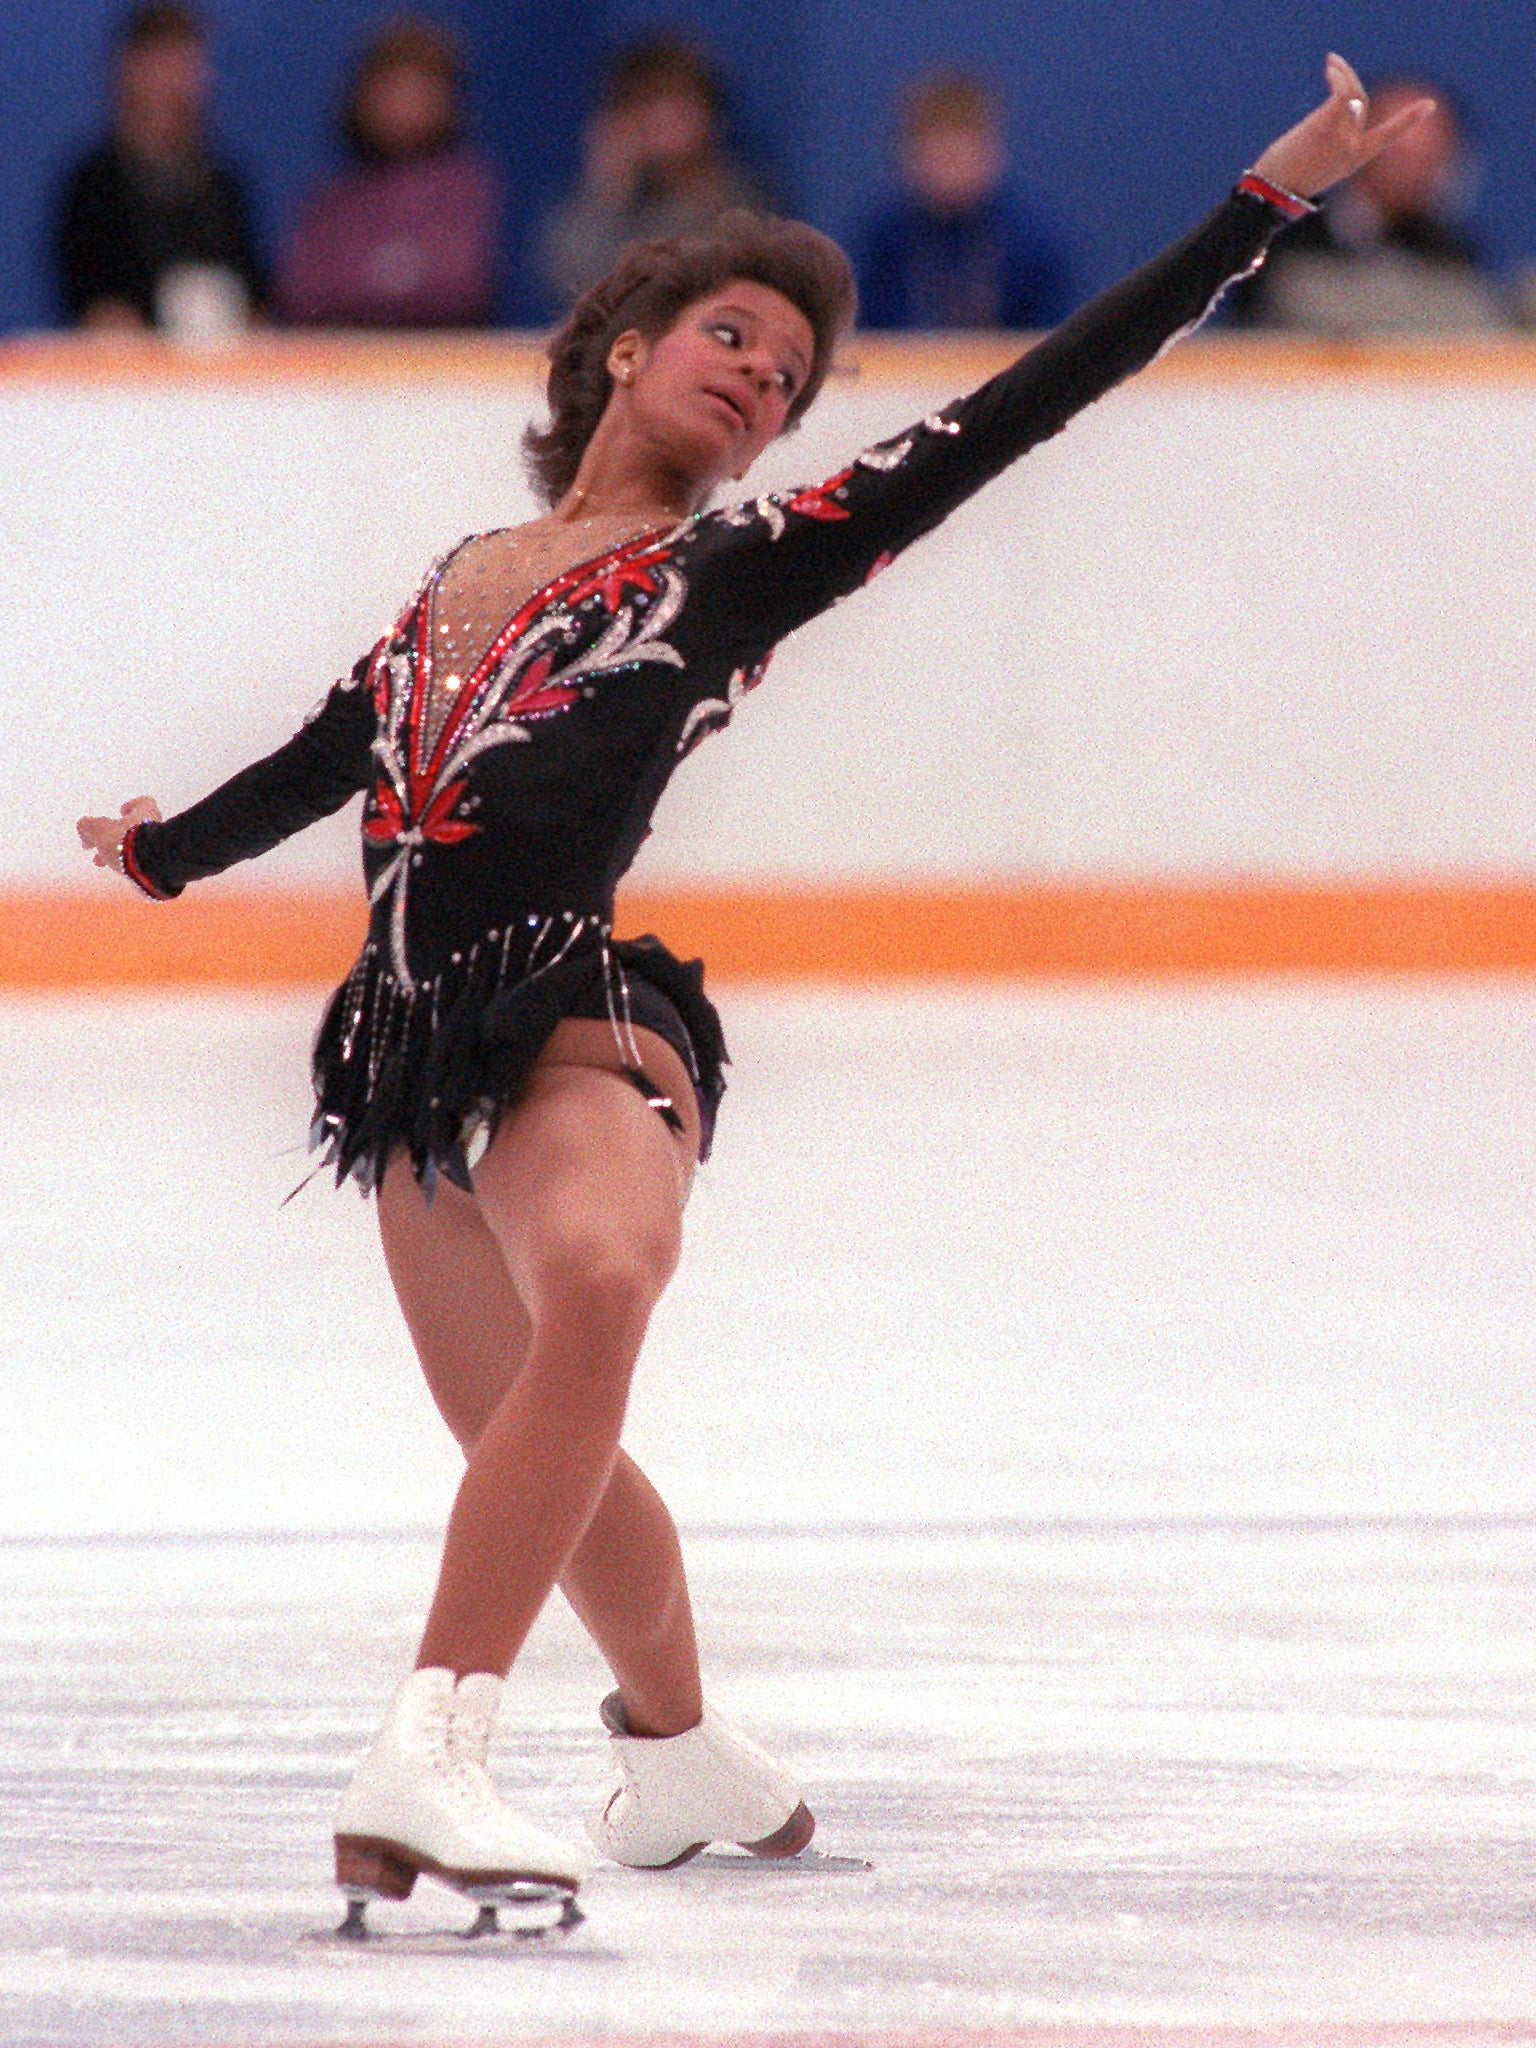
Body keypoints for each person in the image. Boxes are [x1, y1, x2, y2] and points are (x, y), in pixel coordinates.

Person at [78, 56, 1426, 1934]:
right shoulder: (458, 577)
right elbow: (330, 755)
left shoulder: (737, 569)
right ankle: (677, 1743)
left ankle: (432, 1749)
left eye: (787, 376)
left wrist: (1255, 209)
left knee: (608, 1283)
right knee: (543, 1449)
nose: (759, 379)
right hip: (402, 1069)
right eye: (729, 333)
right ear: (625, 342)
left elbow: (1023, 405)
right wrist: (163, 853)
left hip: (575, 1015)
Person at [1228, 74, 1515, 334]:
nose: (1415, 170)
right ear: (1359, 145)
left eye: (1430, 157)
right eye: (1401, 153)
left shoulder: (1451, 252)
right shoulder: (1286, 241)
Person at [275, 16, 504, 331]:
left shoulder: (466, 187)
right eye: (392, 88)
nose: (403, 105)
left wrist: (367, 283)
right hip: (341, 367)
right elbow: (301, 294)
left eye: (419, 90)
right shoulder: (334, 198)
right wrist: (397, 275)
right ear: (363, 95)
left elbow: (457, 290)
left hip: (440, 367)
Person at [55, 2, 266, 338]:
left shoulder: (224, 183)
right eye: (161, 62)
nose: (175, 79)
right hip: (130, 376)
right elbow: (95, 307)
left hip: (225, 373)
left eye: (187, 62)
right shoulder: (93, 184)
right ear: (128, 69)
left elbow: (255, 298)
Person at [537, 35, 768, 311]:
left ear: (710, 112)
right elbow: (569, 280)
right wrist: (609, 188)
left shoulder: (739, 202)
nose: (664, 119)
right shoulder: (618, 198)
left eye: (679, 101)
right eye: (647, 104)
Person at [856, 67, 1074, 331]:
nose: (949, 170)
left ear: (991, 153)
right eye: (938, 155)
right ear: (908, 156)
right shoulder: (881, 239)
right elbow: (863, 340)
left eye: (961, 154)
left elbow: (1054, 339)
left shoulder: (1033, 242)